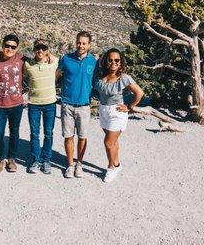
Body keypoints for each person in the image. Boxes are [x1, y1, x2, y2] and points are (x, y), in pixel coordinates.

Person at [94, 48, 144, 183]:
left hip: (117, 113)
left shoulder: (124, 78)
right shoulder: (101, 77)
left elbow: (139, 93)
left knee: (108, 142)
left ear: (121, 62)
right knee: (113, 142)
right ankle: (117, 165)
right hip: (103, 111)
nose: (114, 63)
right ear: (106, 61)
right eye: (110, 60)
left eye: (117, 60)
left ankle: (110, 168)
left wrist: (129, 106)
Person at [56, 31, 98, 179]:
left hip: (84, 105)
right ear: (76, 42)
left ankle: (79, 164)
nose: (81, 45)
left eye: (84, 43)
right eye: (79, 42)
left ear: (89, 45)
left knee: (82, 137)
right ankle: (70, 165)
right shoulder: (66, 59)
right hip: (67, 104)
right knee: (68, 136)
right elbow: (57, 75)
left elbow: (98, 81)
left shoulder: (93, 62)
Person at [0, 34, 25, 174]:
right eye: (7, 46)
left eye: (13, 47)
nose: (9, 49)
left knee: (14, 132)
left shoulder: (22, 59)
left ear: (17, 48)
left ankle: (11, 159)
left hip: (16, 104)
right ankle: (0, 159)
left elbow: (41, 61)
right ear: (2, 45)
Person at [24, 39, 58, 174]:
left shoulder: (53, 63)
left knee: (48, 133)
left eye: (44, 48)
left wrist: (49, 55)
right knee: (34, 134)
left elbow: (56, 58)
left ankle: (46, 160)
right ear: (34, 50)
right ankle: (36, 160)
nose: (40, 50)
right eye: (38, 48)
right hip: (34, 105)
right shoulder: (28, 65)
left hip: (50, 104)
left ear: (47, 50)